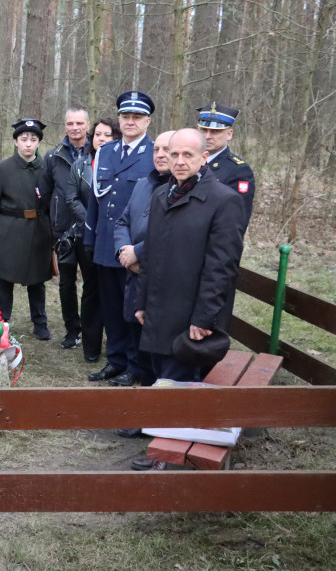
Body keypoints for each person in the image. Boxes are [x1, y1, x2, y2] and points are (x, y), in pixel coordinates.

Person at [134, 128, 244, 384]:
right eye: (174, 154)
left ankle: (160, 423)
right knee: (156, 378)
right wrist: (141, 301)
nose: (180, 161)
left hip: (190, 318)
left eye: (188, 154)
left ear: (204, 157)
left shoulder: (224, 201)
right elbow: (149, 254)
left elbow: (222, 268)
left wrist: (204, 319)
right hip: (157, 312)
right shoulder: (162, 195)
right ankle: (150, 423)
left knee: (178, 386)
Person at [84, 91, 156, 383]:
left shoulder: (155, 153)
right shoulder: (106, 151)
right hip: (105, 244)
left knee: (132, 312)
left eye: (137, 117)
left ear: (147, 121)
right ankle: (114, 360)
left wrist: (140, 249)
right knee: (110, 308)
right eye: (125, 116)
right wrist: (90, 237)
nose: (130, 122)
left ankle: (132, 365)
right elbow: (95, 198)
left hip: (133, 247)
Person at [110, 130, 174, 393]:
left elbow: (174, 231)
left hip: (162, 279)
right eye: (157, 149)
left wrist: (138, 251)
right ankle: (137, 382)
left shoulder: (180, 189)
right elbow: (123, 220)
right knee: (134, 332)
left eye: (167, 149)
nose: (160, 154)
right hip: (134, 275)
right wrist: (123, 253)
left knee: (157, 347)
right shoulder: (143, 183)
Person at [0, 118, 53, 340]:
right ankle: (1, 321)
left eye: (33, 140)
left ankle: (40, 322)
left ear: (39, 143)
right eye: (24, 139)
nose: (28, 144)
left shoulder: (47, 168)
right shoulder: (2, 169)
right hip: (10, 230)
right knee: (5, 279)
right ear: (16, 142)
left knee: (37, 280)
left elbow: (54, 200)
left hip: (40, 230)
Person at [66, 117, 119, 363]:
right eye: (98, 134)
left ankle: (116, 344)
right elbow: (71, 198)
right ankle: (90, 344)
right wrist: (91, 222)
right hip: (85, 236)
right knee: (91, 290)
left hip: (115, 237)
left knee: (113, 292)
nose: (101, 139)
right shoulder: (79, 164)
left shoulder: (121, 166)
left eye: (107, 135)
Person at [45, 107, 90, 349]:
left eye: (79, 123)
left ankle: (91, 329)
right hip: (63, 230)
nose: (75, 128)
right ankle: (72, 329)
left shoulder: (99, 153)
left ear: (87, 125)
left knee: (92, 284)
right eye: (70, 123)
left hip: (90, 229)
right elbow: (44, 194)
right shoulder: (54, 157)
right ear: (65, 126)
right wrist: (51, 225)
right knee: (66, 283)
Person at [196, 102, 255, 234]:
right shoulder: (188, 161)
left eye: (215, 131)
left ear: (229, 134)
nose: (207, 136)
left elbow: (236, 223)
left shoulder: (239, 171)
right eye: (204, 130)